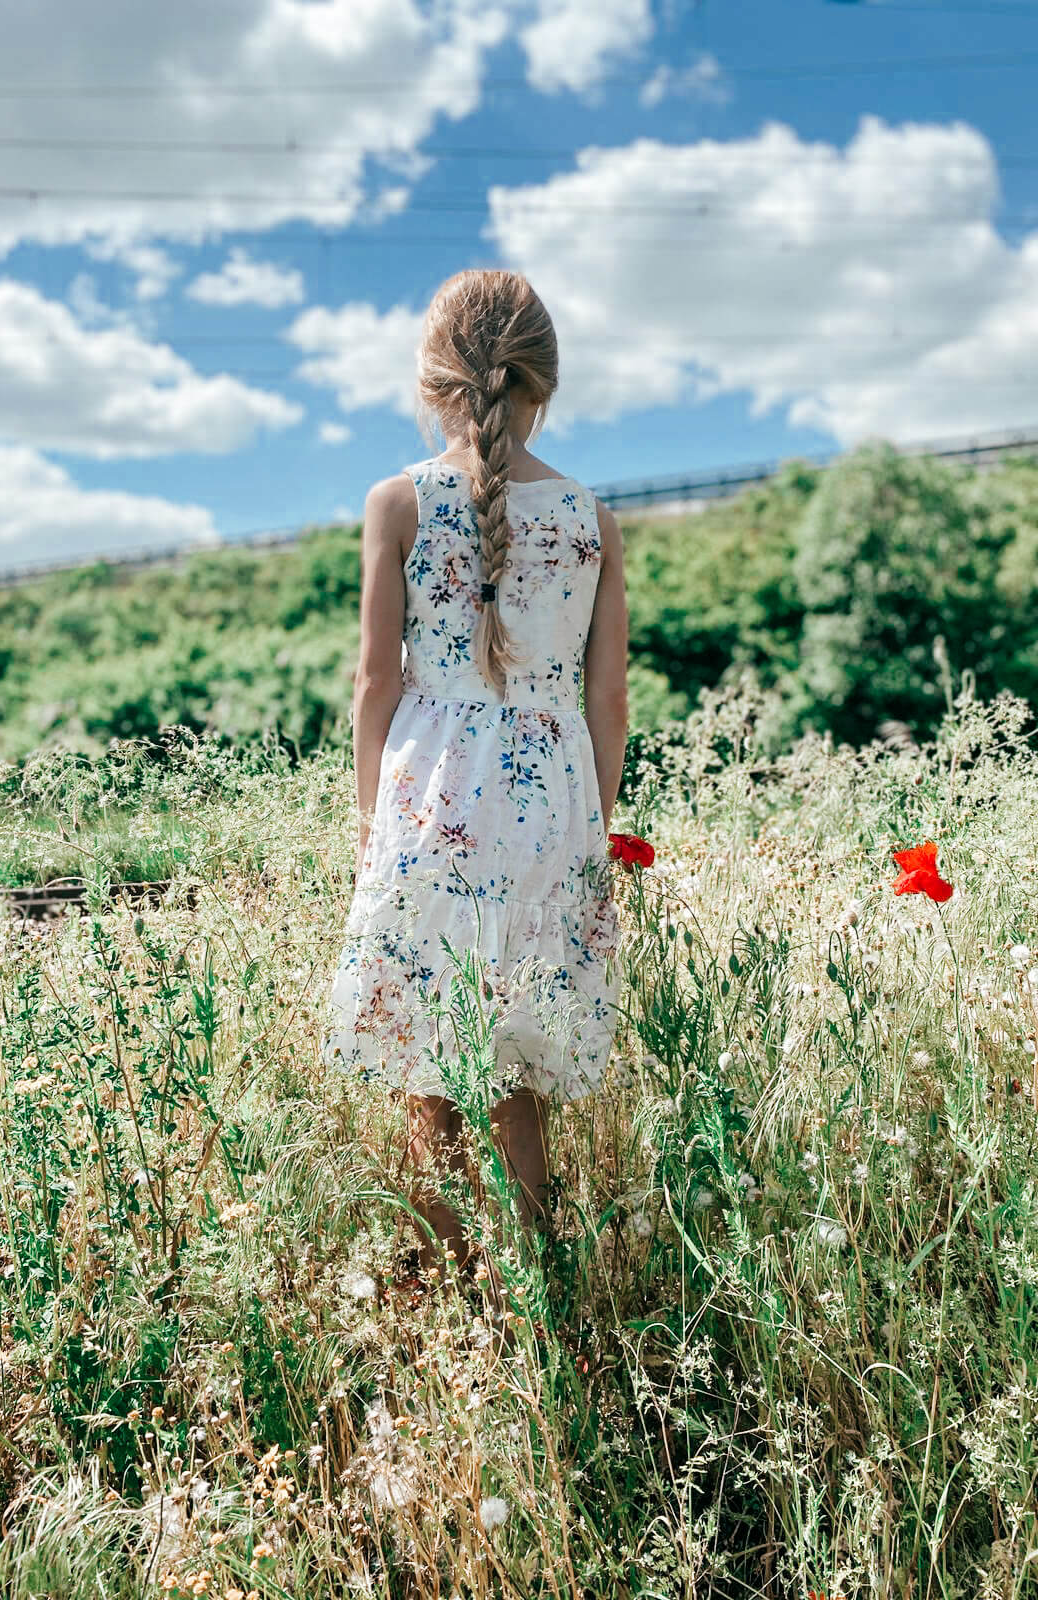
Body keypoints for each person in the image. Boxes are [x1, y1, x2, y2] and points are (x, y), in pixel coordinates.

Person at [323, 267, 629, 1301]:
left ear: (433, 380)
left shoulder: (398, 501)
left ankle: (454, 1308)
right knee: (521, 1083)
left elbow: (375, 681)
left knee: (427, 1071)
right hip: (551, 805)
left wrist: (374, 832)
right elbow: (608, 705)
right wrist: (591, 835)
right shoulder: (591, 517)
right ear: (544, 379)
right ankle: (535, 1302)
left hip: (430, 805)